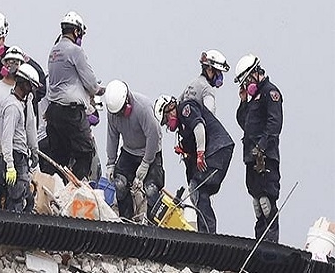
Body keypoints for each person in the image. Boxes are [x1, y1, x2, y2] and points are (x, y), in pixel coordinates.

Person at [154, 94, 234, 234]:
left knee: (198, 188)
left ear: (170, 108)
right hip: (215, 152)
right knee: (198, 191)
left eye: (166, 119)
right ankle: (205, 232)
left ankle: (208, 233)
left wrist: (200, 153)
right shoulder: (183, 130)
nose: (168, 124)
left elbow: (199, 127)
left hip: (217, 150)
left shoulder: (186, 108)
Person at [44, 11, 104, 181]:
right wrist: (100, 90)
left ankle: (58, 191)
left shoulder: (53, 52)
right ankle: (74, 189)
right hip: (71, 112)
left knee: (59, 158)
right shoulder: (75, 51)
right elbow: (91, 84)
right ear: (77, 32)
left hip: (53, 112)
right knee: (85, 152)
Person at [234, 54, 283, 243]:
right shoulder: (252, 99)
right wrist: (243, 101)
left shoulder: (271, 93)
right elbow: (244, 123)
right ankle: (259, 243)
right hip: (250, 157)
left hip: (266, 156)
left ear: (255, 74)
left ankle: (271, 243)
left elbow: (274, 124)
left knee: (266, 201)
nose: (246, 86)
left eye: (246, 82)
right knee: (256, 202)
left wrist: (262, 146)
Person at [104, 80, 164, 220]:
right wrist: (111, 163)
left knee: (151, 189)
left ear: (127, 101)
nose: (119, 115)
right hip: (129, 152)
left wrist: (146, 163)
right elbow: (112, 136)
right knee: (119, 184)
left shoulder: (143, 108)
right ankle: (126, 219)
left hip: (150, 152)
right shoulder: (113, 113)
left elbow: (153, 135)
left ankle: (153, 223)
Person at [0, 63, 40, 212]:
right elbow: (6, 138)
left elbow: (30, 129)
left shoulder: (22, 105)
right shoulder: (13, 107)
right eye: (31, 86)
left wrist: (34, 151)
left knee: (27, 198)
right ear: (24, 84)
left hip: (20, 156)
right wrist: (10, 165)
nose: (31, 90)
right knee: (17, 197)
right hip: (15, 157)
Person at [181, 50, 229, 115]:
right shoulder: (207, 89)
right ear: (209, 69)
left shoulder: (191, 84)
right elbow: (209, 114)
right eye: (218, 72)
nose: (220, 76)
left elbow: (179, 104)